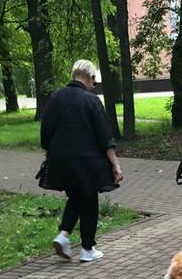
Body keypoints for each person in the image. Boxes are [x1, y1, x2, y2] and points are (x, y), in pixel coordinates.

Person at [41, 60, 123, 262]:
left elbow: (45, 134)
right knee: (89, 201)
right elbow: (104, 137)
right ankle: (88, 249)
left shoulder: (55, 98)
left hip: (61, 161)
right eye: (93, 80)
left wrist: (49, 153)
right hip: (87, 162)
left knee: (76, 197)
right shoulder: (91, 100)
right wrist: (115, 164)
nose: (93, 85)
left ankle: (63, 235)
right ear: (88, 77)